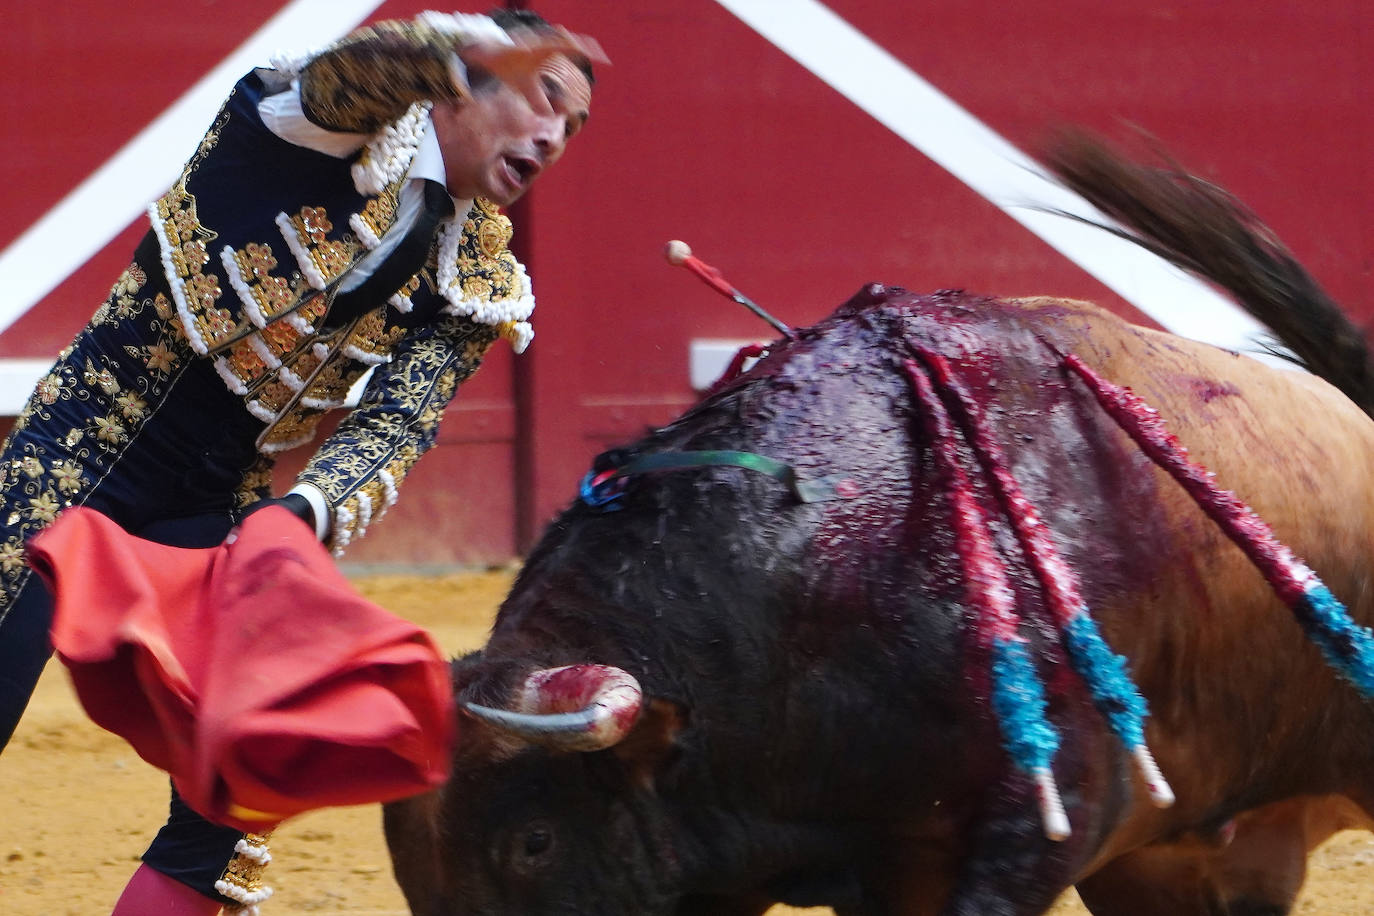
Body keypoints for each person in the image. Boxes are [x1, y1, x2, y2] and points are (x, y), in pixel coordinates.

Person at [0, 7, 603, 913]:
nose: (555, 135)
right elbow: (349, 77)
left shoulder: (481, 273)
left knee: (245, 781)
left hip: (225, 503)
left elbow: (397, 423)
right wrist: (445, 50)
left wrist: (304, 514)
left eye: (574, 126)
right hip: (84, 449)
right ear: (465, 84)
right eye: (544, 98)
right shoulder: (321, 122)